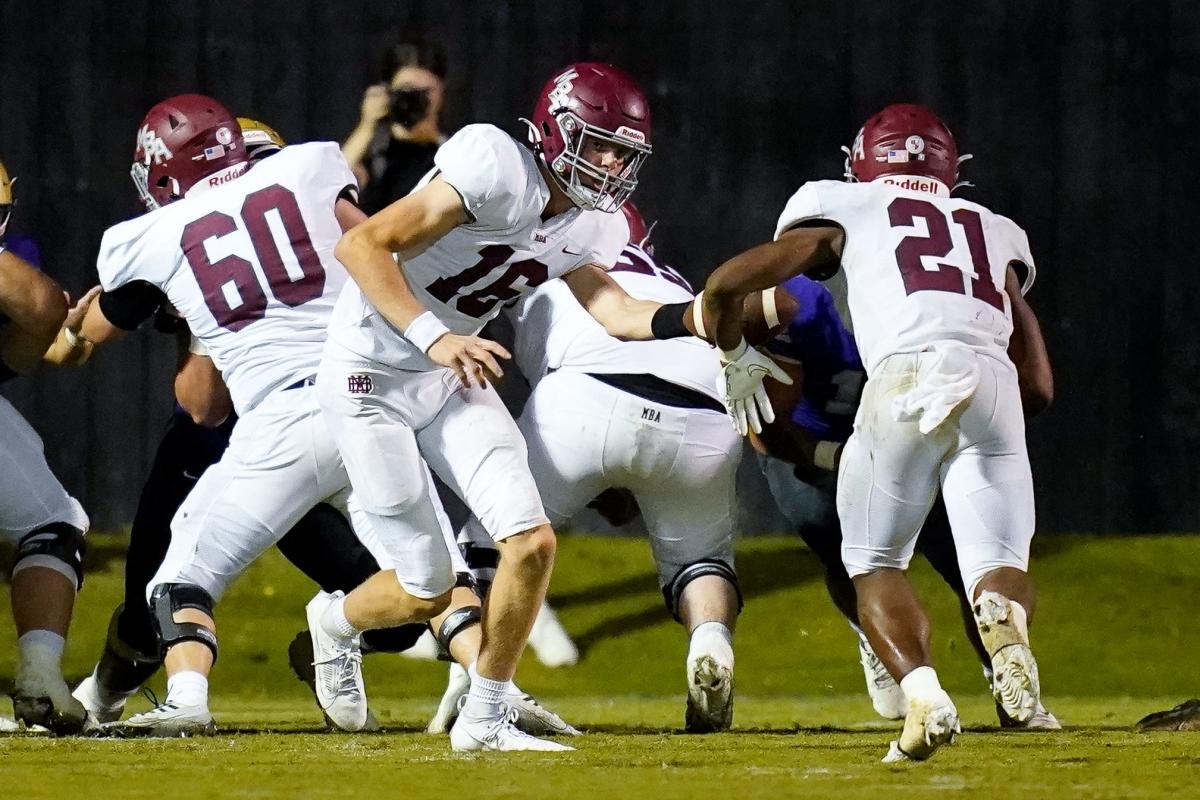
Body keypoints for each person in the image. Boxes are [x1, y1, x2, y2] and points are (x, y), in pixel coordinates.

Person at [317, 61, 701, 751]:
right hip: (370, 371)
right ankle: (336, 624)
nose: (612, 165)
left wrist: (695, 318)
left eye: (625, 153)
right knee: (429, 590)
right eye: (601, 144)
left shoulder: (594, 225)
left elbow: (613, 308)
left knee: (530, 541)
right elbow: (362, 243)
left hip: (448, 374)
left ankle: (484, 721)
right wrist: (435, 338)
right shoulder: (495, 166)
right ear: (558, 130)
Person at [702, 104, 1053, 762]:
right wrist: (979, 435)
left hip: (904, 377)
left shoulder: (846, 207)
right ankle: (1007, 636)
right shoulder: (992, 227)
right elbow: (1038, 382)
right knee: (997, 562)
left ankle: (924, 696)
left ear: (860, 164)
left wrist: (729, 348)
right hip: (993, 382)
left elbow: (728, 282)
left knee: (873, 563)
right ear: (952, 168)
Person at [65, 94, 399, 736]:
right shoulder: (197, 240)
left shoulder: (321, 236)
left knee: (399, 602)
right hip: (228, 441)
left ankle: (326, 644)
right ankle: (103, 694)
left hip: (318, 419)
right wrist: (206, 323)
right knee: (150, 605)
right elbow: (204, 407)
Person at [751, 272, 1058, 729]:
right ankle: (878, 640)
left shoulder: (934, 302)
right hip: (815, 449)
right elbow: (763, 426)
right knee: (847, 556)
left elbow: (1033, 387)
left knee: (959, 563)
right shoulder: (800, 302)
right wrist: (831, 454)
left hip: (913, 431)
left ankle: (1003, 686)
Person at [495, 201, 742, 731]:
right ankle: (710, 641)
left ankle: (477, 689)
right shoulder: (668, 278)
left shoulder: (546, 267)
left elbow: (567, 400)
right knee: (702, 562)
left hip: (589, 394)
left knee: (490, 542)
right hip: (704, 409)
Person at [0, 156, 93, 734]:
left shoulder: (18, 263)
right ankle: (37, 675)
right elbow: (37, 309)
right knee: (52, 522)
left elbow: (45, 336)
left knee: (52, 521)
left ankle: (39, 676)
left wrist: (72, 332)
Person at [341, 39, 449, 214]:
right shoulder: (374, 152)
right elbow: (332, 188)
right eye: (407, 90)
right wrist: (367, 125)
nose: (416, 100)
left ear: (441, 92)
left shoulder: (451, 154)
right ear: (389, 90)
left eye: (425, 92)